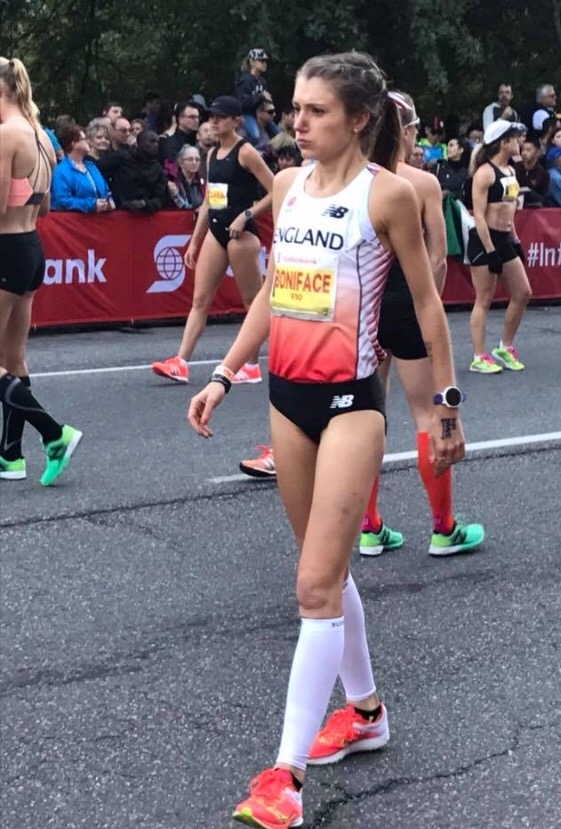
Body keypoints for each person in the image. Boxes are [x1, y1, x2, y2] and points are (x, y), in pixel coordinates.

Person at [187, 52, 465, 828]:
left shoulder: (387, 196)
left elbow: (427, 304)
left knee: (313, 585)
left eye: (315, 111)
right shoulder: (285, 186)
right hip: (286, 399)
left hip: (350, 405)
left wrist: (445, 407)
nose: (296, 122)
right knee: (328, 572)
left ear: (358, 119)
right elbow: (277, 290)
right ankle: (366, 711)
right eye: (295, 108)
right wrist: (224, 373)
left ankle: (285, 776)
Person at [359, 91, 484, 558]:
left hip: (364, 307)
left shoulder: (354, 179)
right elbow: (437, 258)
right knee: (427, 416)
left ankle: (369, 527)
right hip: (407, 304)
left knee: (367, 418)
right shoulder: (421, 183)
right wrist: (424, 307)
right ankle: (443, 528)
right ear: (407, 131)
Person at [151, 96, 273, 385]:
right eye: (211, 117)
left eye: (220, 117)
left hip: (242, 234)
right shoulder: (211, 153)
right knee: (199, 300)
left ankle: (251, 365)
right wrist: (195, 241)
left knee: (251, 302)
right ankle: (181, 362)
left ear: (236, 121)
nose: (214, 122)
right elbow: (208, 201)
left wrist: (247, 214)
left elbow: (276, 189)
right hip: (216, 231)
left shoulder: (246, 152)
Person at [0, 57, 82, 485]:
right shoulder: (41, 136)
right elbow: (46, 207)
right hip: (31, 247)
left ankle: (54, 433)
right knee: (12, 358)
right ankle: (10, 456)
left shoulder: (6, 135)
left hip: (6, 248)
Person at [467, 119, 531, 374]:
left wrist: (515, 240)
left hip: (504, 239)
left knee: (523, 292)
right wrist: (490, 250)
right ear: (504, 142)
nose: (519, 142)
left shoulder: (511, 171)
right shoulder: (485, 173)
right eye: (515, 139)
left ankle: (505, 346)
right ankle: (478, 356)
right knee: (484, 298)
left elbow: (509, 210)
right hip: (485, 240)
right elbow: (479, 216)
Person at [95, 129, 167, 213]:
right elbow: (96, 171)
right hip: (118, 211)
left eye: (158, 142)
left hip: (144, 215)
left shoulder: (158, 169)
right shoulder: (121, 157)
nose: (156, 145)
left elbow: (160, 199)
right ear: (139, 143)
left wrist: (143, 204)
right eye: (152, 141)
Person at [51, 124, 114, 213]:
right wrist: (92, 205)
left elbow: (106, 190)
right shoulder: (61, 171)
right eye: (84, 139)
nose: (88, 141)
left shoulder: (91, 166)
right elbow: (62, 201)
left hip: (99, 219)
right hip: (75, 221)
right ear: (73, 143)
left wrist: (109, 202)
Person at [234, 48, 271, 142]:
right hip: (246, 113)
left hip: (259, 113)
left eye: (265, 61)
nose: (264, 64)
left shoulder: (262, 81)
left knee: (277, 132)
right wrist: (261, 96)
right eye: (261, 61)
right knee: (255, 136)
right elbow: (242, 103)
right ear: (252, 62)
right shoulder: (244, 80)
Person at [514, 137, 550, 207]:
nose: (524, 153)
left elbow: (543, 196)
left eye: (528, 150)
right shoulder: (515, 168)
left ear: (537, 152)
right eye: (523, 150)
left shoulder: (542, 173)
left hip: (534, 207)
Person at [167, 145, 204, 210]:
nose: (194, 162)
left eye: (197, 159)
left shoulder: (203, 182)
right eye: (190, 159)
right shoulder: (172, 181)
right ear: (180, 163)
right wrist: (175, 195)